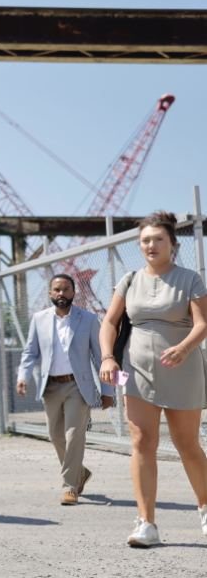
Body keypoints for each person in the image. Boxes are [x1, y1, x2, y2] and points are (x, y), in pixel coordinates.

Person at [100, 210, 207, 547]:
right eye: (145, 240)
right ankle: (146, 524)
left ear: (172, 244)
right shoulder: (129, 280)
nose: (151, 244)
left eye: (158, 239)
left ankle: (206, 509)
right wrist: (106, 357)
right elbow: (109, 323)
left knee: (187, 445)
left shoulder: (190, 278)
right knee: (141, 442)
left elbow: (202, 323)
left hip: (182, 368)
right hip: (136, 370)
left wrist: (185, 347)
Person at [16, 274, 114, 505]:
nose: (61, 294)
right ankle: (80, 472)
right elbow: (30, 352)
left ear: (73, 293)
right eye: (57, 290)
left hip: (77, 387)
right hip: (50, 386)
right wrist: (23, 376)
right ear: (50, 293)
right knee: (56, 436)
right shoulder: (39, 319)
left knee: (73, 436)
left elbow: (100, 357)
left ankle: (70, 487)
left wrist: (107, 390)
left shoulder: (88, 319)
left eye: (66, 289)